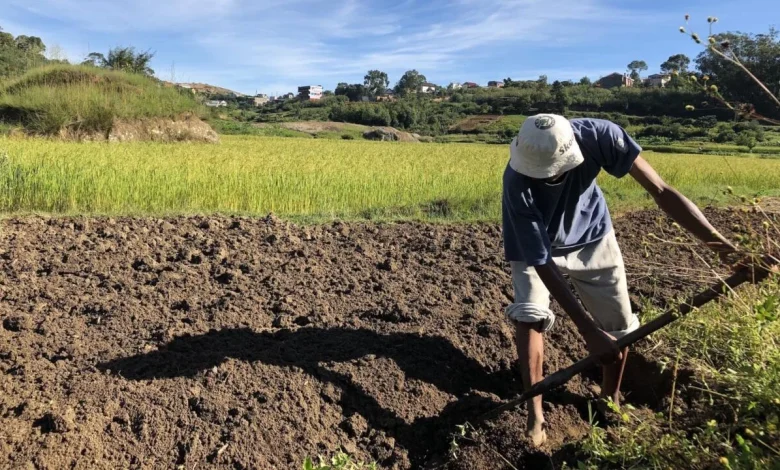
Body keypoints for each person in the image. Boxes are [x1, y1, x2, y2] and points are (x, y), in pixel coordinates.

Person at [502, 114, 736, 446]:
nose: (547, 179)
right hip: (534, 247)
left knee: (619, 326)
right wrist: (586, 330)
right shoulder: (517, 181)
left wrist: (727, 251)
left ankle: (608, 397)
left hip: (592, 234)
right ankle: (534, 412)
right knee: (530, 316)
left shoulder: (601, 136)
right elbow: (540, 260)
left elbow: (661, 190)